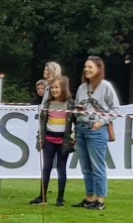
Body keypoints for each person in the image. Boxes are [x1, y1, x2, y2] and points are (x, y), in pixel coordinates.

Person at [72, 56, 119, 211]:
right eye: (85, 67)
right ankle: (89, 198)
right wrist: (77, 112)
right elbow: (77, 106)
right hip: (81, 128)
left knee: (97, 165)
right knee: (85, 166)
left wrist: (102, 122)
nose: (87, 70)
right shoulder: (82, 88)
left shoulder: (106, 87)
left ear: (99, 69)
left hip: (96, 130)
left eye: (90, 67)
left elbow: (115, 109)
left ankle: (100, 200)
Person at [32, 76, 75, 206]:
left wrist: (74, 137)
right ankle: (42, 196)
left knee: (62, 169)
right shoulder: (47, 104)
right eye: (52, 88)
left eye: (57, 87)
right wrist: (40, 137)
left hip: (63, 142)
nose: (55, 90)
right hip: (49, 141)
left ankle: (60, 198)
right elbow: (42, 122)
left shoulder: (70, 104)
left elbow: (77, 123)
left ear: (63, 88)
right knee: (46, 168)